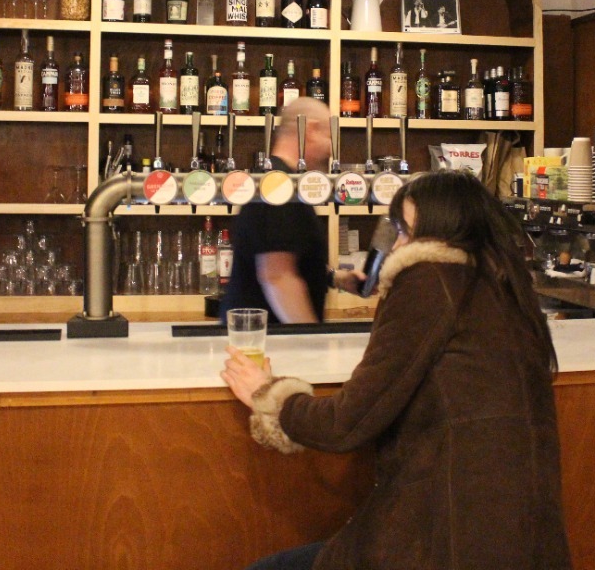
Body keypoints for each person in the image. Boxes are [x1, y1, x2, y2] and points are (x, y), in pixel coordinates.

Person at [222, 170, 573, 570]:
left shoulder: (427, 280)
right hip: (520, 542)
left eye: (402, 232)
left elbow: (346, 424)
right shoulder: (507, 289)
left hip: (445, 543)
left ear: (433, 234)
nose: (396, 247)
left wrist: (267, 394)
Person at [218, 97, 362, 324]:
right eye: (329, 136)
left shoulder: (283, 183)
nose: (330, 148)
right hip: (266, 345)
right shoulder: (279, 187)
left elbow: (283, 257)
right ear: (310, 130)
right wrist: (311, 343)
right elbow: (277, 277)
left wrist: (336, 278)